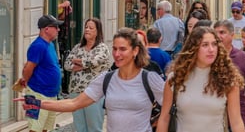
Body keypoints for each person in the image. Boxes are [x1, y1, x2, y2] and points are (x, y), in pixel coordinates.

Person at [20, 28, 165, 132]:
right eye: (114, 49)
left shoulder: (149, 79)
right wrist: (38, 103)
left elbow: (171, 107)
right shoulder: (106, 79)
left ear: (135, 51)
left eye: (122, 49)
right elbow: (74, 103)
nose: (117, 54)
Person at [156, 26, 245, 132]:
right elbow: (164, 119)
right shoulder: (175, 78)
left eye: (214, 44)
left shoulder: (227, 79)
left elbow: (236, 122)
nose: (211, 49)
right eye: (205, 45)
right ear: (193, 48)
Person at [63, 18, 112, 132]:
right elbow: (67, 64)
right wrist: (81, 65)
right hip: (76, 93)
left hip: (93, 94)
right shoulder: (77, 47)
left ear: (97, 31)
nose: (87, 30)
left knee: (94, 127)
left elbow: (94, 61)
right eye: (86, 27)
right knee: (79, 127)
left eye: (91, 28)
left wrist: (80, 62)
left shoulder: (102, 48)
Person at [213, 20, 245, 132]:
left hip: (237, 118)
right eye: (215, 33)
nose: (218, 36)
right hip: (214, 119)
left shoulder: (243, 58)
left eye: (222, 32)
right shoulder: (209, 57)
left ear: (232, 35)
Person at [18, 14, 64, 132]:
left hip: (51, 95)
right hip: (37, 93)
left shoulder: (50, 44)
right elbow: (28, 67)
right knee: (35, 128)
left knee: (47, 128)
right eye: (56, 27)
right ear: (46, 29)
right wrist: (25, 80)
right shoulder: (38, 46)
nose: (58, 30)